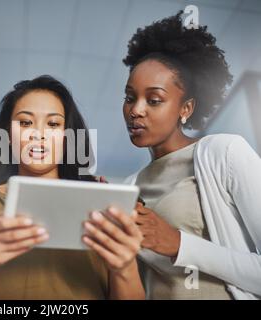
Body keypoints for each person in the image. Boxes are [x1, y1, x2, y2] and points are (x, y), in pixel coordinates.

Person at [99, 11, 261, 299]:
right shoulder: (128, 187)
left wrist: (179, 244)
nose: (136, 110)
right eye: (129, 97)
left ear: (185, 109)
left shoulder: (224, 154)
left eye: (154, 100)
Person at [0, 75, 143, 299]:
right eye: (25, 122)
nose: (39, 134)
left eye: (53, 124)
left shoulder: (102, 206)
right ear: (7, 134)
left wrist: (126, 267)